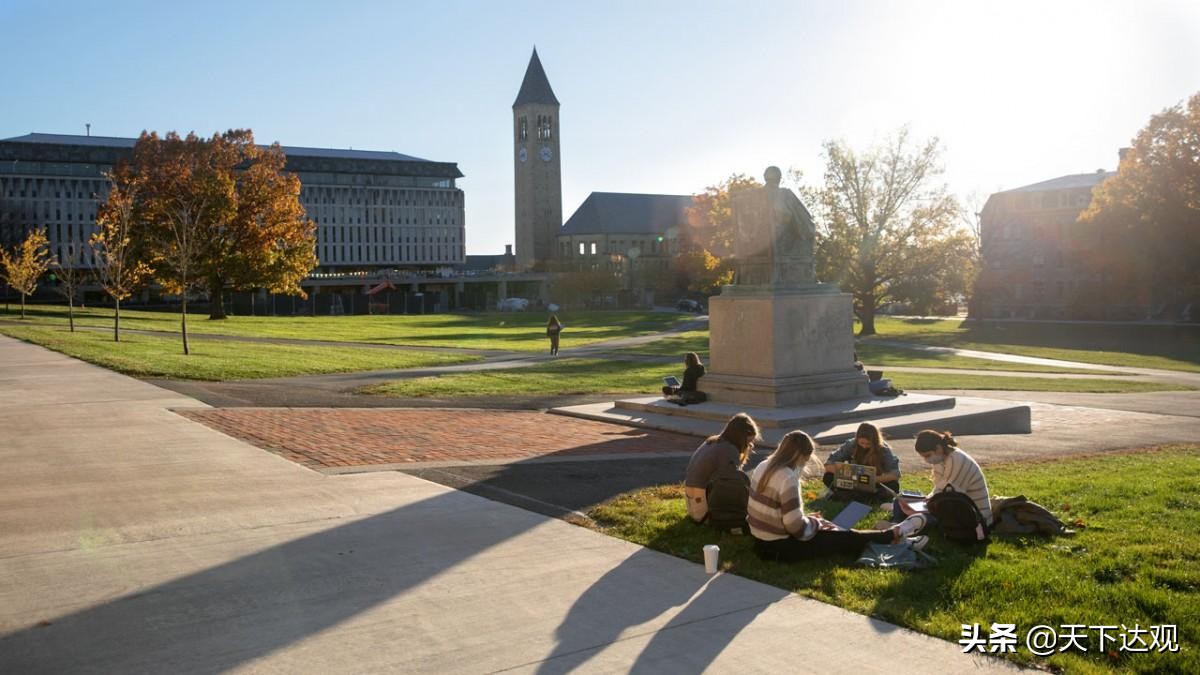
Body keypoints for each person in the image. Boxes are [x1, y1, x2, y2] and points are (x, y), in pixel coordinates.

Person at [748, 430, 925, 562]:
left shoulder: (764, 465)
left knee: (838, 535)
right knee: (844, 537)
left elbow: (779, 514)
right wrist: (815, 524)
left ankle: (894, 538)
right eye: (805, 460)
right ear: (799, 456)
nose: (804, 464)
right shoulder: (787, 477)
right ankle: (893, 534)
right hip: (780, 548)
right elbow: (795, 528)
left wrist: (807, 519)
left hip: (759, 541)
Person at [891, 429, 993, 539]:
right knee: (901, 499)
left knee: (924, 515)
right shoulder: (940, 460)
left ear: (938, 448)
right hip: (951, 505)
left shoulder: (957, 460)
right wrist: (924, 500)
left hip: (973, 518)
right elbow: (939, 490)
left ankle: (901, 529)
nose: (926, 460)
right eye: (923, 457)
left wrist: (925, 506)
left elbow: (948, 497)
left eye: (927, 455)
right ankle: (898, 523)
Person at [684, 412, 759, 523]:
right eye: (748, 441)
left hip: (692, 504)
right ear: (740, 437)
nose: (750, 445)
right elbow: (734, 484)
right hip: (703, 514)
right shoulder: (729, 450)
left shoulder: (712, 441)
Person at [822, 422, 901, 500]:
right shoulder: (851, 444)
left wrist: (873, 480)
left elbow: (895, 474)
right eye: (862, 443)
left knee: (894, 485)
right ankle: (865, 497)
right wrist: (848, 475)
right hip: (851, 482)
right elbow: (828, 464)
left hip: (875, 482)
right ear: (857, 438)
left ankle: (848, 496)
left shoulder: (884, 449)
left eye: (868, 444)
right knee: (828, 477)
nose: (864, 446)